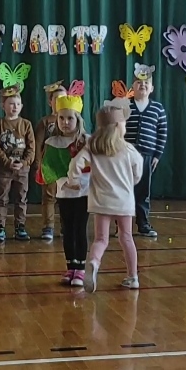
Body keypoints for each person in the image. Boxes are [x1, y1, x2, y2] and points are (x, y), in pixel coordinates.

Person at [75, 101, 144, 293]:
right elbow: (138, 171)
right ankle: (133, 277)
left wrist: (74, 180)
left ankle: (94, 262)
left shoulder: (92, 147)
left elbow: (76, 164)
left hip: (101, 201)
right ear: (118, 125)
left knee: (100, 239)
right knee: (126, 237)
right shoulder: (128, 149)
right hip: (124, 201)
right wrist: (131, 182)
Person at [39, 93, 90, 286]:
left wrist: (78, 180)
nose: (65, 122)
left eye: (70, 118)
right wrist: (65, 181)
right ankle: (71, 266)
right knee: (67, 230)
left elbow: (95, 165)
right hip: (64, 192)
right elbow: (48, 168)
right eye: (61, 118)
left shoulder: (87, 141)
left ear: (78, 119)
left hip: (84, 192)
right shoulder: (52, 143)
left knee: (80, 229)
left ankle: (81, 269)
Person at [124, 64, 167, 237]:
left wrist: (157, 155)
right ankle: (122, 225)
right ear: (132, 87)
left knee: (143, 191)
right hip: (125, 156)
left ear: (152, 88)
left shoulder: (158, 109)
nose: (142, 85)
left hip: (146, 156)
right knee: (124, 189)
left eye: (146, 83)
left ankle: (143, 224)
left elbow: (162, 133)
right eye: (138, 83)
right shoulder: (125, 106)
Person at [0, 85, 36, 242]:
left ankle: (20, 226)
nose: (14, 107)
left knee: (21, 198)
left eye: (17, 104)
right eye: (11, 103)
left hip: (22, 169)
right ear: (3, 106)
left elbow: (31, 148)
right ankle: (0, 227)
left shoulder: (26, 124)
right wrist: (7, 161)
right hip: (4, 169)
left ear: (21, 106)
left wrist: (23, 163)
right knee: (1, 198)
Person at [33, 80, 68, 241]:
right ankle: (48, 226)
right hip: (49, 166)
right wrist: (39, 164)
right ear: (50, 102)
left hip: (66, 166)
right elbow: (37, 144)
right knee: (49, 197)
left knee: (66, 198)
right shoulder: (45, 122)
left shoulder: (72, 119)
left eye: (63, 98)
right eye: (57, 99)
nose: (60, 102)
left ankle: (66, 226)